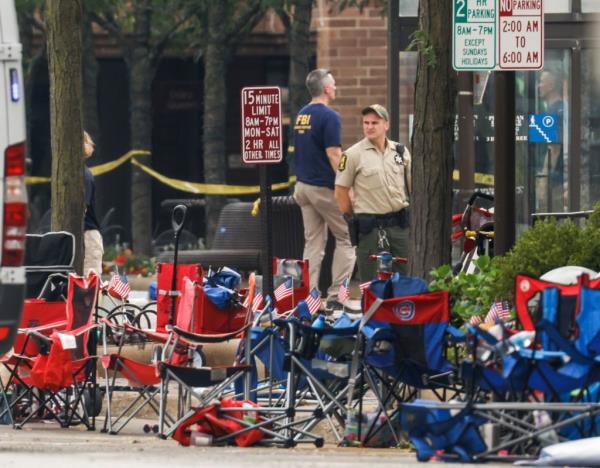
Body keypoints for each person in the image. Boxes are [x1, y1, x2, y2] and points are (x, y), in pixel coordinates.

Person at [292, 69, 355, 309]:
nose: (336, 88)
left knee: (313, 243)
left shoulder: (302, 115)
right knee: (347, 237)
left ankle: (310, 297)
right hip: (323, 188)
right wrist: (345, 183)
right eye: (335, 84)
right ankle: (337, 296)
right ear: (326, 89)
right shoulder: (329, 116)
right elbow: (333, 153)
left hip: (303, 187)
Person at [335, 104, 410, 281]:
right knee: (369, 280)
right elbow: (340, 191)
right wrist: (352, 217)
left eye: (374, 123)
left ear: (386, 125)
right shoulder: (352, 155)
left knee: (405, 275)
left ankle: (401, 307)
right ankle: (370, 308)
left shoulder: (400, 151)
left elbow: (411, 186)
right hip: (370, 227)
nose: (369, 127)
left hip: (399, 225)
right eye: (366, 123)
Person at [536, 68, 565, 212]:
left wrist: (543, 180)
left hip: (554, 181)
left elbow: (553, 149)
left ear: (552, 85)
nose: (538, 86)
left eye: (541, 82)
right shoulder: (549, 111)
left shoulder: (555, 111)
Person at [83, 131, 103, 275]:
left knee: (90, 282)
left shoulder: (84, 176)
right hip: (84, 235)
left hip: (88, 235)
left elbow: (83, 208)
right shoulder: (83, 174)